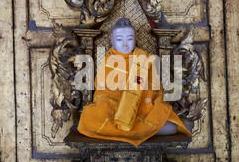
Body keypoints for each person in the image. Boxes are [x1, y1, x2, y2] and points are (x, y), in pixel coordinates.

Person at [77, 18, 192, 146]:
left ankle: (133, 129)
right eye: (120, 39)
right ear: (112, 40)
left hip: (140, 109)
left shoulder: (143, 59)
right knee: (88, 119)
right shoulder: (108, 61)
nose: (125, 44)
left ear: (135, 39)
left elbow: (154, 90)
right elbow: (101, 93)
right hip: (112, 109)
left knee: (167, 125)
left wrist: (140, 99)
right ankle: (143, 130)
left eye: (130, 39)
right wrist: (114, 102)